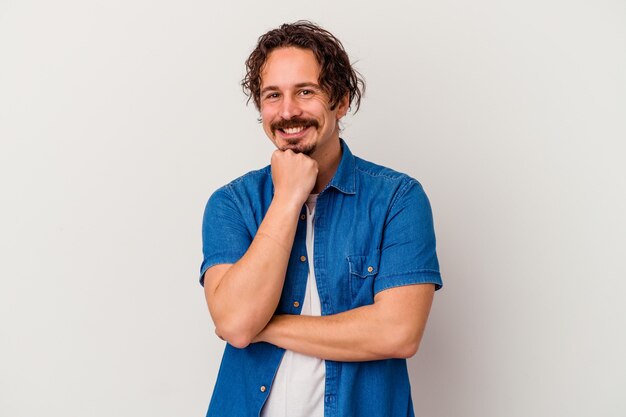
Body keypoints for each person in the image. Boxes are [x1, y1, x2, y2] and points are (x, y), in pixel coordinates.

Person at [199, 21, 443, 417]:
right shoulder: (232, 204)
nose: (288, 111)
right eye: (272, 95)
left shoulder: (398, 199)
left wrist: (264, 328)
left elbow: (399, 333)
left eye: (306, 92)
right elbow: (237, 320)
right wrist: (288, 198)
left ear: (341, 101)